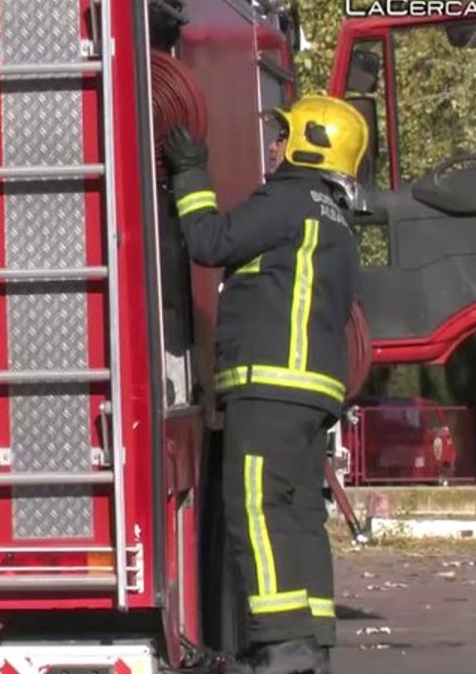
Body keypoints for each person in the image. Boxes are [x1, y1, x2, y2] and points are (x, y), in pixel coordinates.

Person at [162, 94, 368, 674]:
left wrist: (189, 171)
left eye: (281, 137)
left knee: (255, 508)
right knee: (300, 514)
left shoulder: (287, 200)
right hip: (309, 399)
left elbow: (209, 241)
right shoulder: (335, 219)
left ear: (308, 144)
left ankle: (280, 648)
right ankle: (311, 645)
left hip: (269, 389)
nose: (272, 147)